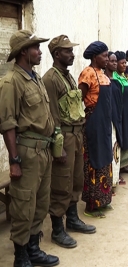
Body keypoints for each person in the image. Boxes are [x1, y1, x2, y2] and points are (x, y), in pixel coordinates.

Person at [0, 30, 59, 267]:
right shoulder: (11, 81)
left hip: (43, 151)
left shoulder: (34, 78)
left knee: (41, 203)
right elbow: (7, 124)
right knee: (23, 204)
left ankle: (33, 249)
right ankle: (20, 256)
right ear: (24, 51)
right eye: (36, 47)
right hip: (26, 153)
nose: (40, 51)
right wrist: (14, 161)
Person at [43, 35, 96, 249]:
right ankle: (57, 229)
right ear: (57, 54)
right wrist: (58, 146)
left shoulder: (67, 76)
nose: (72, 54)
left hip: (75, 135)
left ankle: (72, 219)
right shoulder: (50, 79)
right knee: (60, 182)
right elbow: (52, 116)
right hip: (63, 137)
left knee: (76, 178)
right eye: (68, 51)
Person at [78, 41, 113, 219]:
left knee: (105, 158)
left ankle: (103, 200)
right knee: (93, 161)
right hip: (93, 121)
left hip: (104, 122)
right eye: (104, 56)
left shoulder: (104, 75)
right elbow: (79, 99)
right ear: (94, 57)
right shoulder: (88, 73)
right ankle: (91, 205)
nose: (107, 59)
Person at [113, 51, 128, 172]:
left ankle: (125, 165)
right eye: (122, 63)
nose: (125, 65)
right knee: (122, 139)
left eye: (125, 63)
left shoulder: (123, 77)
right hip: (122, 115)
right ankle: (119, 167)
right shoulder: (115, 80)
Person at [104, 51, 123, 189]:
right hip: (108, 120)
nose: (115, 63)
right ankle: (109, 183)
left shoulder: (116, 78)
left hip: (117, 117)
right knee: (110, 150)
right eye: (112, 61)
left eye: (116, 60)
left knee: (116, 149)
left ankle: (115, 179)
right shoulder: (104, 79)